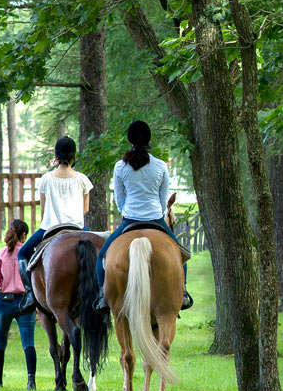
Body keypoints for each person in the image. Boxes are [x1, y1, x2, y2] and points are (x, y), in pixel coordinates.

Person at [95, 119, 177, 307]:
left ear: (129, 140)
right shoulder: (160, 166)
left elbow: (119, 200)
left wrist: (128, 211)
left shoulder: (120, 167)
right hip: (156, 220)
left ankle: (102, 294)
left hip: (129, 220)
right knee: (180, 254)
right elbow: (163, 199)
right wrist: (157, 212)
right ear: (149, 139)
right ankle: (183, 291)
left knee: (102, 256)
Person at [17, 136, 93, 307]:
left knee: (22, 254)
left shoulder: (46, 179)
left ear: (56, 155)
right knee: (102, 251)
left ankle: (30, 294)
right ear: (74, 155)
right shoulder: (82, 179)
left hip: (50, 227)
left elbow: (43, 209)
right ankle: (100, 293)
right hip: (77, 227)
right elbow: (85, 209)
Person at [0, 219, 37, 389]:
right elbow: (36, 283)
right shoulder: (29, 255)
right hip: (25, 302)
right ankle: (31, 381)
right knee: (28, 342)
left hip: (4, 303)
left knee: (0, 343)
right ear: (23, 235)